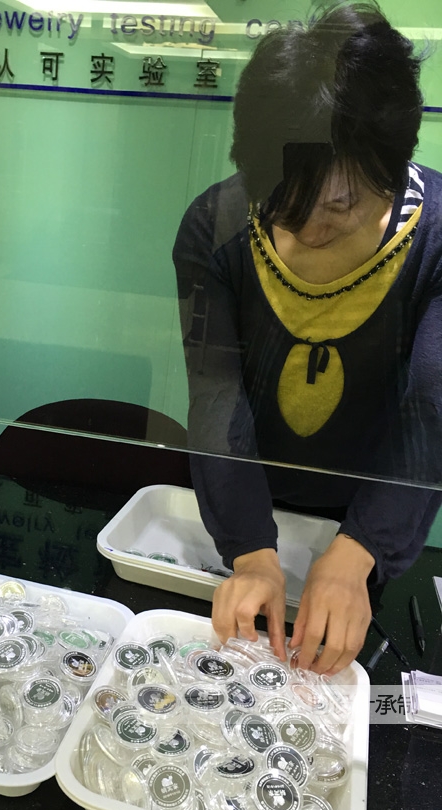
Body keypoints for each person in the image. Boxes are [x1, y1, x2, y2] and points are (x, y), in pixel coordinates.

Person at [173, 1, 442, 675]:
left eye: (340, 206)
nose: (308, 229)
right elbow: (216, 391)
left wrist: (357, 553)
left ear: (390, 165)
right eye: (281, 204)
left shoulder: (435, 238)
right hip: (246, 503)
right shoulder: (215, 226)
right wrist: (250, 551)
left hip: (376, 518)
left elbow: (431, 411)